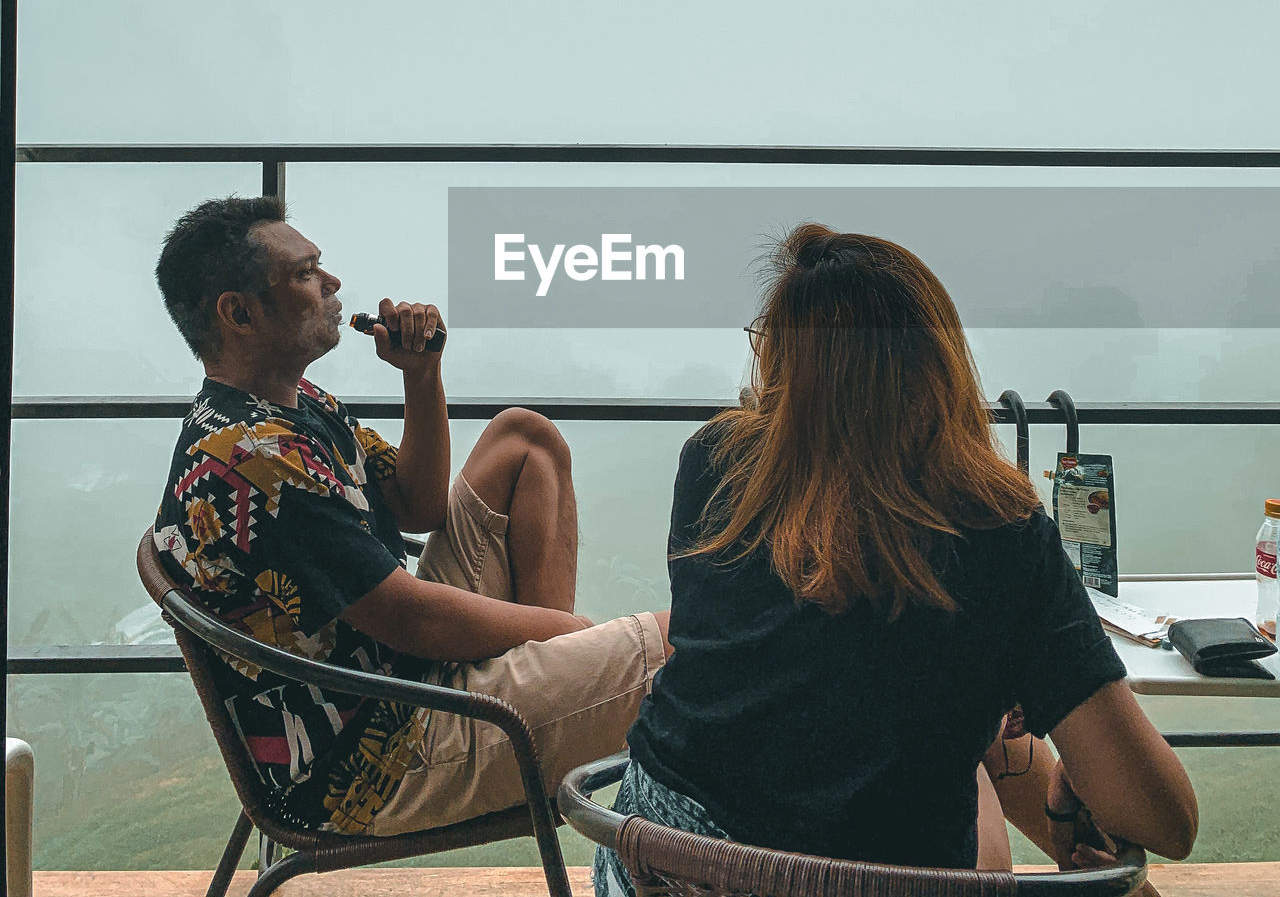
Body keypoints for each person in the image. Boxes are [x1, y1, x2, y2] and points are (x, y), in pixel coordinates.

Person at [595, 224, 1196, 894]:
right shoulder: (998, 530)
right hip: (874, 878)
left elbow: (802, 667)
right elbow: (1168, 823)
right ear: (937, 365)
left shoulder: (714, 466)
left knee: (951, 733)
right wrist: (1070, 777)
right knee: (1007, 778)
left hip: (657, 865)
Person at [151, 195, 669, 836]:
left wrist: (421, 376)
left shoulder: (291, 405)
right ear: (239, 313)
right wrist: (568, 630)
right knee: (680, 649)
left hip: (396, 673)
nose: (333, 283)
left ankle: (551, 687)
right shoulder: (257, 459)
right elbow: (413, 620)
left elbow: (417, 506)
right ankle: (557, 686)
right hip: (378, 756)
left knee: (524, 441)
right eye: (306, 273)